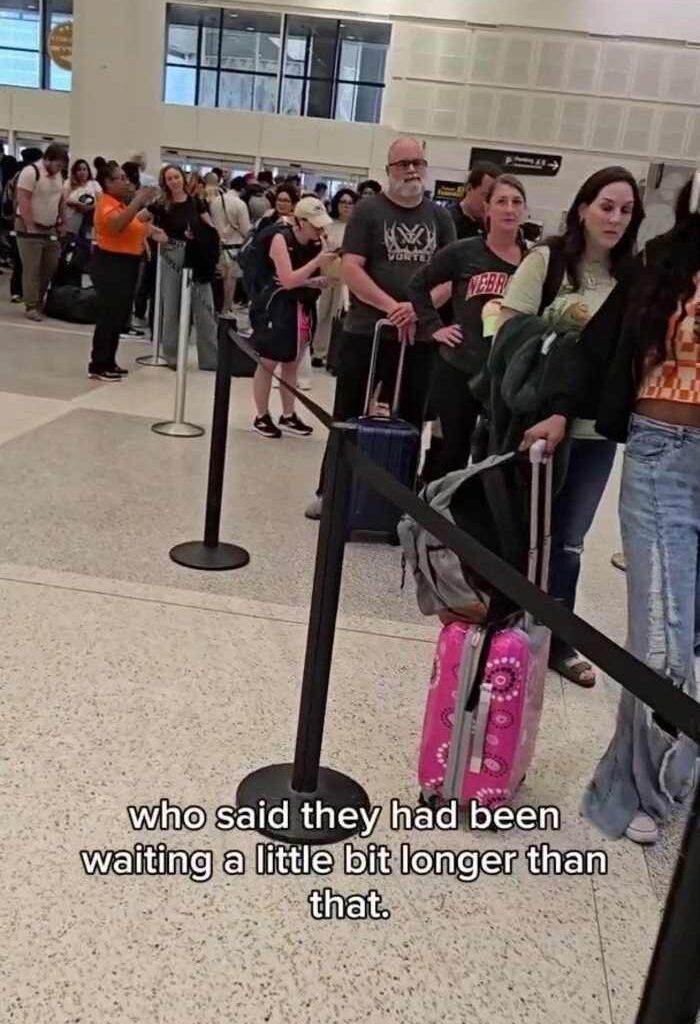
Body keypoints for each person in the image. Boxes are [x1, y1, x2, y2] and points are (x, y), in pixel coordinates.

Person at [521, 174, 700, 846]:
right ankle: (634, 792)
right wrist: (560, 409)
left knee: (692, 640)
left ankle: (659, 777)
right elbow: (595, 347)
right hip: (663, 458)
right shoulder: (662, 262)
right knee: (663, 647)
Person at [498, 166, 645, 688]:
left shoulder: (634, 277)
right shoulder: (548, 261)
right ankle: (507, 626)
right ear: (583, 207)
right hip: (539, 423)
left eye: (626, 210)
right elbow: (504, 327)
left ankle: (558, 641)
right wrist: (560, 325)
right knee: (524, 528)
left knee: (570, 541)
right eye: (607, 206)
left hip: (595, 431)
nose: (615, 218)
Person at [305, 136, 456, 519]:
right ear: (388, 170)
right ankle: (332, 490)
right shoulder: (368, 212)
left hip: (417, 338)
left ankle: (399, 500)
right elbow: (352, 268)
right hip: (366, 331)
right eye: (402, 163)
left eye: (417, 162)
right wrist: (392, 308)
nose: (411, 170)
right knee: (349, 412)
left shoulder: (440, 217)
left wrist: (415, 309)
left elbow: (450, 277)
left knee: (409, 419)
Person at [408, 174, 528, 480]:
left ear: (525, 211)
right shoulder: (464, 252)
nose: (509, 209)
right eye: (501, 201)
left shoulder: (534, 262)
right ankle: (428, 516)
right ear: (487, 208)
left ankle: (473, 522)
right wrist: (435, 326)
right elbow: (418, 285)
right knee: (449, 450)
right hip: (458, 368)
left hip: (503, 376)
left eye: (516, 202)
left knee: (493, 456)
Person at [250, 196, 339, 438]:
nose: (320, 230)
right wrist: (315, 264)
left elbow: (314, 278)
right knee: (268, 362)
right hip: (276, 306)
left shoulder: (317, 242)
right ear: (300, 221)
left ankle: (288, 414)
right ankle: (261, 415)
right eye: (315, 225)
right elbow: (287, 280)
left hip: (303, 305)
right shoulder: (280, 238)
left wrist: (318, 274)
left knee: (292, 362)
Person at [87, 162, 165, 381]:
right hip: (112, 264)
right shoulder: (106, 205)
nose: (126, 181)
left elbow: (133, 227)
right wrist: (139, 200)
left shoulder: (121, 205)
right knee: (109, 315)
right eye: (120, 178)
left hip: (128, 263)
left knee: (119, 314)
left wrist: (150, 230)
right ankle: (99, 363)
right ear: (108, 183)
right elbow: (117, 226)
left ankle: (109, 360)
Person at [149, 164, 220, 371]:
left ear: (183, 178)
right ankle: (172, 356)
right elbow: (139, 221)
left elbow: (211, 230)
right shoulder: (161, 204)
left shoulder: (197, 202)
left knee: (205, 309)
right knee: (172, 306)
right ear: (165, 182)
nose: (174, 181)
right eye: (169, 178)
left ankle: (210, 359)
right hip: (172, 254)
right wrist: (155, 234)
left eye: (176, 177)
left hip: (197, 257)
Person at [14, 142, 68, 321]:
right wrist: (29, 224)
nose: (59, 168)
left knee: (49, 265)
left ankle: (39, 301)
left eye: (62, 166)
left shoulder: (58, 175)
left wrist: (62, 220)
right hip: (28, 227)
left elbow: (60, 199)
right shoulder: (31, 172)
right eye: (58, 164)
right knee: (32, 268)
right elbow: (23, 199)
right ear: (47, 159)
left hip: (49, 227)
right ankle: (31, 305)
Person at [310, 187, 357, 369]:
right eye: (343, 202)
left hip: (347, 278)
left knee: (338, 316)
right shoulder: (328, 225)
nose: (346, 206)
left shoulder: (357, 227)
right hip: (327, 274)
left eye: (350, 203)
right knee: (322, 313)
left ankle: (333, 354)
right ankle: (318, 351)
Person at [205, 172, 251, 313]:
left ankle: (216, 308)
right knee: (230, 282)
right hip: (234, 248)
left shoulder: (215, 201)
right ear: (242, 189)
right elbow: (246, 230)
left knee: (218, 281)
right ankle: (226, 309)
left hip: (217, 246)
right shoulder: (240, 204)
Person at [449, 161, 502, 240]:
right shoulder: (447, 221)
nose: (490, 203)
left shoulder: (492, 225)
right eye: (486, 195)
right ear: (469, 188)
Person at [63, 159, 102, 237]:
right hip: (71, 221)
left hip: (89, 222)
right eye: (79, 170)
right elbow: (64, 200)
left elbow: (101, 202)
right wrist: (77, 204)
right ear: (75, 172)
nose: (82, 172)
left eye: (84, 169)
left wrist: (89, 207)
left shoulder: (94, 184)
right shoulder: (69, 183)